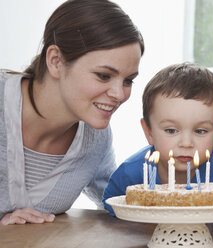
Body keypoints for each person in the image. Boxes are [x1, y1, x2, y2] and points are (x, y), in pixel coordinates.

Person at [0, 0, 144, 225]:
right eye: (104, 75)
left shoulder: (96, 139)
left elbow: (121, 203)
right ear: (56, 61)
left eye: (128, 80)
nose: (119, 94)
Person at [103, 63, 213, 216]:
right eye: (171, 130)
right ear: (149, 132)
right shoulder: (130, 174)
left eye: (200, 131)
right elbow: (111, 210)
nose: (186, 143)